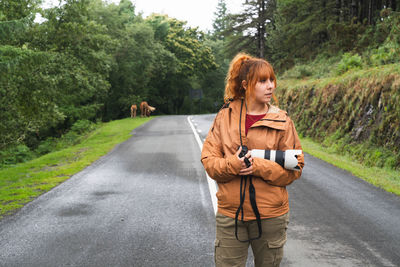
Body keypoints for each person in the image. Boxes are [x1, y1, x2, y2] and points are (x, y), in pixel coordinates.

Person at [201, 53, 304, 267]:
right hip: (230, 216)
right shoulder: (224, 116)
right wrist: (233, 165)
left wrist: (258, 166)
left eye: (271, 80)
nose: (270, 86)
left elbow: (295, 169)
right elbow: (209, 162)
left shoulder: (283, 121)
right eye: (263, 81)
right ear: (246, 85)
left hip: (271, 217)